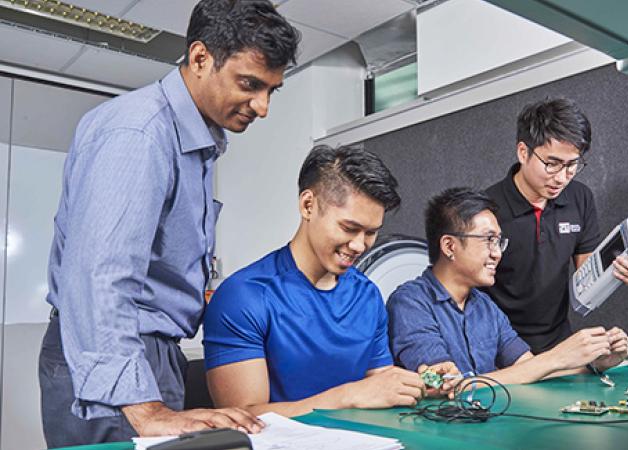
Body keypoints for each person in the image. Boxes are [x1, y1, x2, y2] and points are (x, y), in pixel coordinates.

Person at [38, 1, 300, 446]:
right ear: (199, 58)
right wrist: (143, 407)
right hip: (113, 359)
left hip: (152, 355)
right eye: (250, 84)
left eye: (272, 90)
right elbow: (99, 276)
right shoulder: (139, 133)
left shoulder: (197, 141)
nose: (262, 106)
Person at [203, 145, 427, 418]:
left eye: (370, 233)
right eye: (349, 228)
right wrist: (347, 397)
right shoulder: (244, 296)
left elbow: (380, 385)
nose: (359, 245)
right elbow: (241, 419)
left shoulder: (367, 295)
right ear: (308, 205)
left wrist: (422, 385)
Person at [387, 187, 628, 385]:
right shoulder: (410, 303)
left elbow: (528, 368)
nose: (497, 253)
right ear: (450, 246)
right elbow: (447, 385)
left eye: (498, 242)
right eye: (488, 240)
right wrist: (557, 356)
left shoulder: (486, 306)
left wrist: (592, 364)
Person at [484, 98, 628, 354]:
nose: (561, 178)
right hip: (498, 346)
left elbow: (587, 277)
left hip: (558, 344)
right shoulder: (486, 208)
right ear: (523, 152)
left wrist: (619, 272)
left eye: (572, 165)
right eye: (551, 164)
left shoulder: (580, 198)